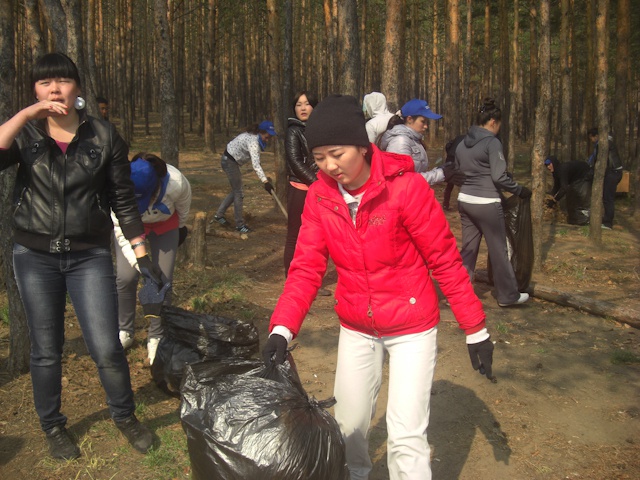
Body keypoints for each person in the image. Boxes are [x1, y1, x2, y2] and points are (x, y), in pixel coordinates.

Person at [261, 95, 494, 480]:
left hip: (412, 327)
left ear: (362, 146)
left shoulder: (406, 189)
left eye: (337, 154)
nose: (329, 166)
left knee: (405, 436)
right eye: (319, 158)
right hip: (357, 325)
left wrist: (476, 328)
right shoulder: (320, 196)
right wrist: (281, 329)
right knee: (348, 427)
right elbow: (305, 268)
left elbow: (444, 261)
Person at [0, 53, 156, 460]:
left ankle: (125, 416)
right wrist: (27, 115)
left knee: (106, 345)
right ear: (34, 90)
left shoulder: (103, 136)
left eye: (63, 81)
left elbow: (123, 199)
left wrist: (141, 253)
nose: (55, 89)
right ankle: (53, 426)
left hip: (88, 256)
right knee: (46, 349)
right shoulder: (26, 134)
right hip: (34, 256)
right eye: (44, 83)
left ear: (78, 88)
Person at [113, 152, 192, 363]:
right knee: (125, 277)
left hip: (165, 224)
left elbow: (184, 208)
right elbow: (121, 230)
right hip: (131, 226)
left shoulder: (176, 182)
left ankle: (156, 335)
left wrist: (180, 229)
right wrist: (140, 263)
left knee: (162, 280)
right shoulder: (118, 186)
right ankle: (125, 330)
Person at [455, 97, 531, 307]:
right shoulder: (492, 142)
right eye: (499, 125)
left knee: (468, 250)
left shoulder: (462, 143)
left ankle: (458, 294)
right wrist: (519, 190)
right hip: (487, 202)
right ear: (492, 122)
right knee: (499, 250)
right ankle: (508, 295)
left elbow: (459, 171)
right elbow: (499, 177)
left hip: (465, 200)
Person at [283, 91, 331, 296]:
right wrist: (316, 183)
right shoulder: (293, 131)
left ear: (314, 106)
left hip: (321, 188)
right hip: (300, 190)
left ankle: (311, 281)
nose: (302, 108)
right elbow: (295, 162)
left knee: (317, 237)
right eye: (298, 104)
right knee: (295, 236)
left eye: (307, 104)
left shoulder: (320, 129)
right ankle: (292, 281)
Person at [380, 98, 464, 186]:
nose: (426, 126)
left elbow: (416, 173)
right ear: (409, 119)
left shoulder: (413, 139)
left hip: (415, 193)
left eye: (427, 122)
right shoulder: (400, 142)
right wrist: (441, 174)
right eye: (423, 122)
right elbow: (402, 181)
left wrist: (441, 169)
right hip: (405, 194)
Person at [211, 121, 277, 233]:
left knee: (236, 191)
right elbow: (256, 165)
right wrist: (265, 182)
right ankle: (239, 225)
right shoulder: (253, 142)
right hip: (229, 161)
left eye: (269, 137)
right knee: (239, 193)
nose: (267, 139)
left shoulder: (254, 136)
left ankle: (219, 215)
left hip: (230, 160)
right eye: (267, 136)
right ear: (261, 132)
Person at [587, 128, 623, 230]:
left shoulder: (604, 144)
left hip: (613, 173)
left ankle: (608, 223)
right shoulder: (605, 143)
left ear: (596, 136)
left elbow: (600, 161)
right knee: (606, 197)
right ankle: (605, 219)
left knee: (608, 198)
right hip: (612, 172)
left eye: (591, 138)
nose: (591, 140)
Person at [442, 134, 466, 210]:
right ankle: (462, 205)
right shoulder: (469, 140)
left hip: (450, 158)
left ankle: (445, 204)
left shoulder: (458, 137)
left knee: (450, 184)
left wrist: (449, 152)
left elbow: (448, 145)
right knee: (462, 181)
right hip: (458, 159)